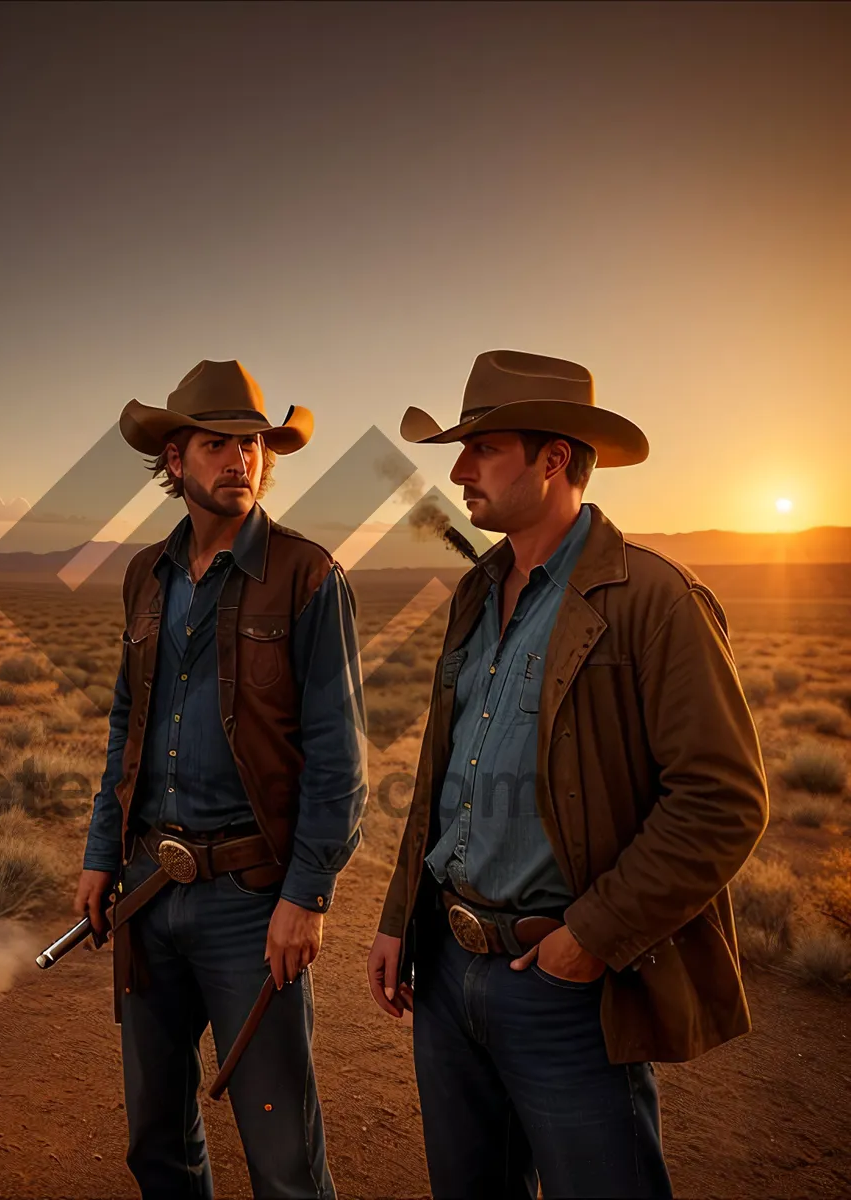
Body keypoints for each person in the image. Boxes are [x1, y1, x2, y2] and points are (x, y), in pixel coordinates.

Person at [366, 349, 769, 1199]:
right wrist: (402, 914)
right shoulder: (477, 592)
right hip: (445, 973)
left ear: (554, 461)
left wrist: (587, 940)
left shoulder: (653, 600)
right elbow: (446, 776)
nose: (460, 470)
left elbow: (722, 801)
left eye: (484, 449)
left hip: (562, 990)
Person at [77, 359, 367, 1199]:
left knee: (283, 1160)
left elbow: (340, 760)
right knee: (154, 1139)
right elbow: (127, 725)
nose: (240, 460)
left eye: (251, 445)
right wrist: (103, 852)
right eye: (217, 444)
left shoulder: (308, 576)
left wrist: (307, 895)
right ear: (175, 460)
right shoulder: (146, 576)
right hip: (145, 888)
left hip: (251, 901)